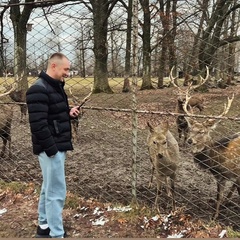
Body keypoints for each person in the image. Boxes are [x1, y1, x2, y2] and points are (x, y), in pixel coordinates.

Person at [26, 53, 80, 238]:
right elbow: (38, 125)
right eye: (66, 69)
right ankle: (57, 234)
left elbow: (50, 111)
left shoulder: (53, 87)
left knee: (48, 187)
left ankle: (44, 226)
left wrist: (68, 111)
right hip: (51, 148)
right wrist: (52, 151)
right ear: (54, 66)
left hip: (56, 145)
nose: (68, 73)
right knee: (56, 191)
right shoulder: (38, 89)